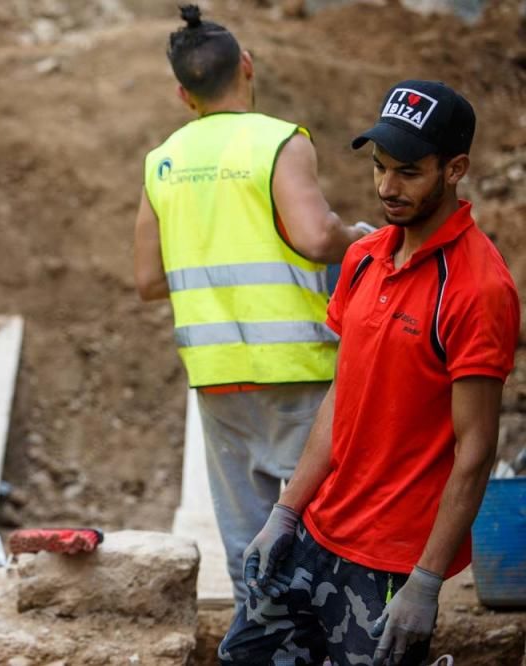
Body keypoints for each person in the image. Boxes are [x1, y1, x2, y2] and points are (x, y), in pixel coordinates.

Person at [220, 80, 520, 665]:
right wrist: (286, 512)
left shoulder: (478, 288)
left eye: (407, 171)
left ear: (454, 169)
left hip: (390, 561)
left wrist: (428, 582)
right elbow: (345, 392)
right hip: (316, 529)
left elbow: (477, 448)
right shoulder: (363, 258)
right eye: (379, 168)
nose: (386, 187)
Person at [132, 5, 372, 604]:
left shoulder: (162, 161)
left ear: (183, 94)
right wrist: (360, 236)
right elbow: (317, 238)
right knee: (323, 528)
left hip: (218, 378)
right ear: (247, 65)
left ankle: (262, 640)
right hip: (299, 371)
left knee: (248, 545)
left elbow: (147, 279)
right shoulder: (277, 142)